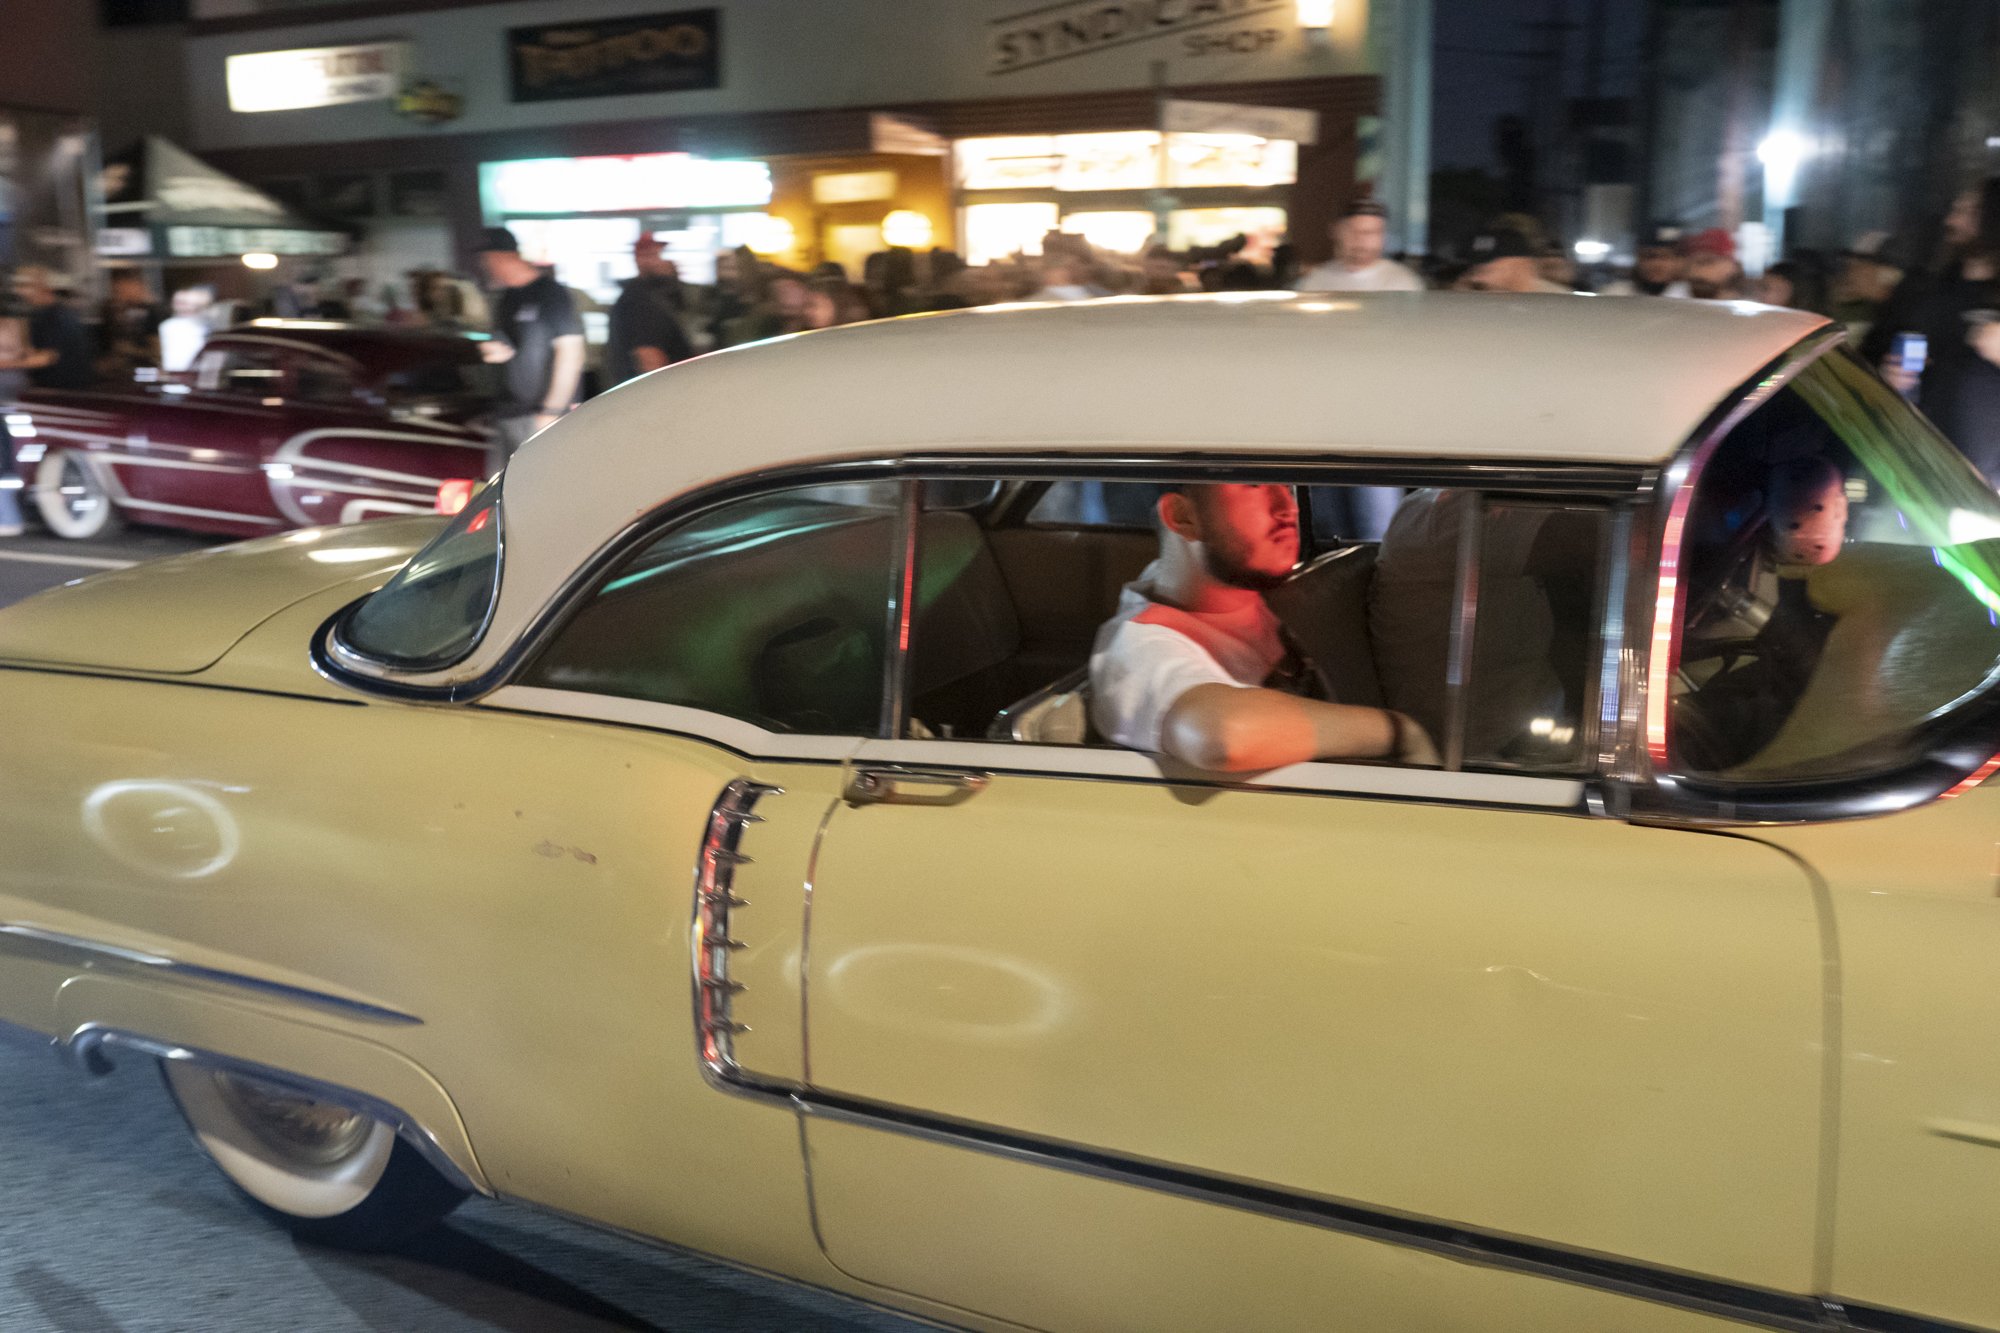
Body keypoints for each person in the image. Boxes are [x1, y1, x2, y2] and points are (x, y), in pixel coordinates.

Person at [1089, 482, 1438, 772]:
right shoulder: (1139, 648)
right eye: (1255, 484)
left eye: (1285, 485)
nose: (1288, 507)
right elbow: (1223, 734)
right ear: (1183, 517)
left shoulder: (1233, 589)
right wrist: (1400, 731)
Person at [474, 227, 586, 459]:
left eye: (485, 260)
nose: (484, 266)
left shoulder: (552, 294)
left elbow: (571, 354)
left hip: (539, 417)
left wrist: (551, 411)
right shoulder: (506, 298)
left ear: (502, 257)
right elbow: (509, 347)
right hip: (508, 414)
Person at [604, 236, 695, 388]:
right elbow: (649, 359)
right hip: (655, 396)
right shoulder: (641, 301)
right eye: (657, 255)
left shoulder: (643, 296)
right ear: (641, 260)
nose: (666, 262)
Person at [1293, 201, 1425, 294]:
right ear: (1335, 232)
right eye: (1352, 230)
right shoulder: (1314, 282)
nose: (1361, 239)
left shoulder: (1404, 284)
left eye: (1371, 232)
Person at [14, 267, 95, 390]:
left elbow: (46, 358)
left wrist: (7, 364)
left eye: (25, 285)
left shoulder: (59, 317)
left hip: (64, 391)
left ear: (43, 287)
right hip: (51, 388)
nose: (19, 291)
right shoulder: (40, 315)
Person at [1456, 228, 1570, 293]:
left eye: (1485, 269)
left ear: (1517, 265)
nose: (1475, 278)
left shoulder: (1560, 302)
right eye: (1473, 270)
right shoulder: (1476, 299)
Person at [97, 271, 163, 379]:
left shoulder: (152, 313)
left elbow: (156, 353)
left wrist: (128, 350)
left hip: (146, 375)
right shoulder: (111, 312)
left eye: (122, 289)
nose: (118, 294)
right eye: (116, 290)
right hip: (119, 376)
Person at [1601, 224, 1691, 297]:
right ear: (1638, 258)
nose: (1657, 264)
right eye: (1649, 256)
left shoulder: (1692, 296)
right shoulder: (1615, 294)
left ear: (1680, 260)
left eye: (1666, 257)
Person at [156, 286, 214, 373]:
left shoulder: (206, 325)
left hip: (199, 374)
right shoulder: (169, 326)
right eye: (179, 302)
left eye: (184, 302)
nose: (181, 305)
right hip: (177, 374)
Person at [1684, 229, 1746, 300]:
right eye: (1691, 262)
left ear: (1731, 265)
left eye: (1707, 262)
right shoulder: (1675, 296)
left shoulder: (1749, 303)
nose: (1696, 270)